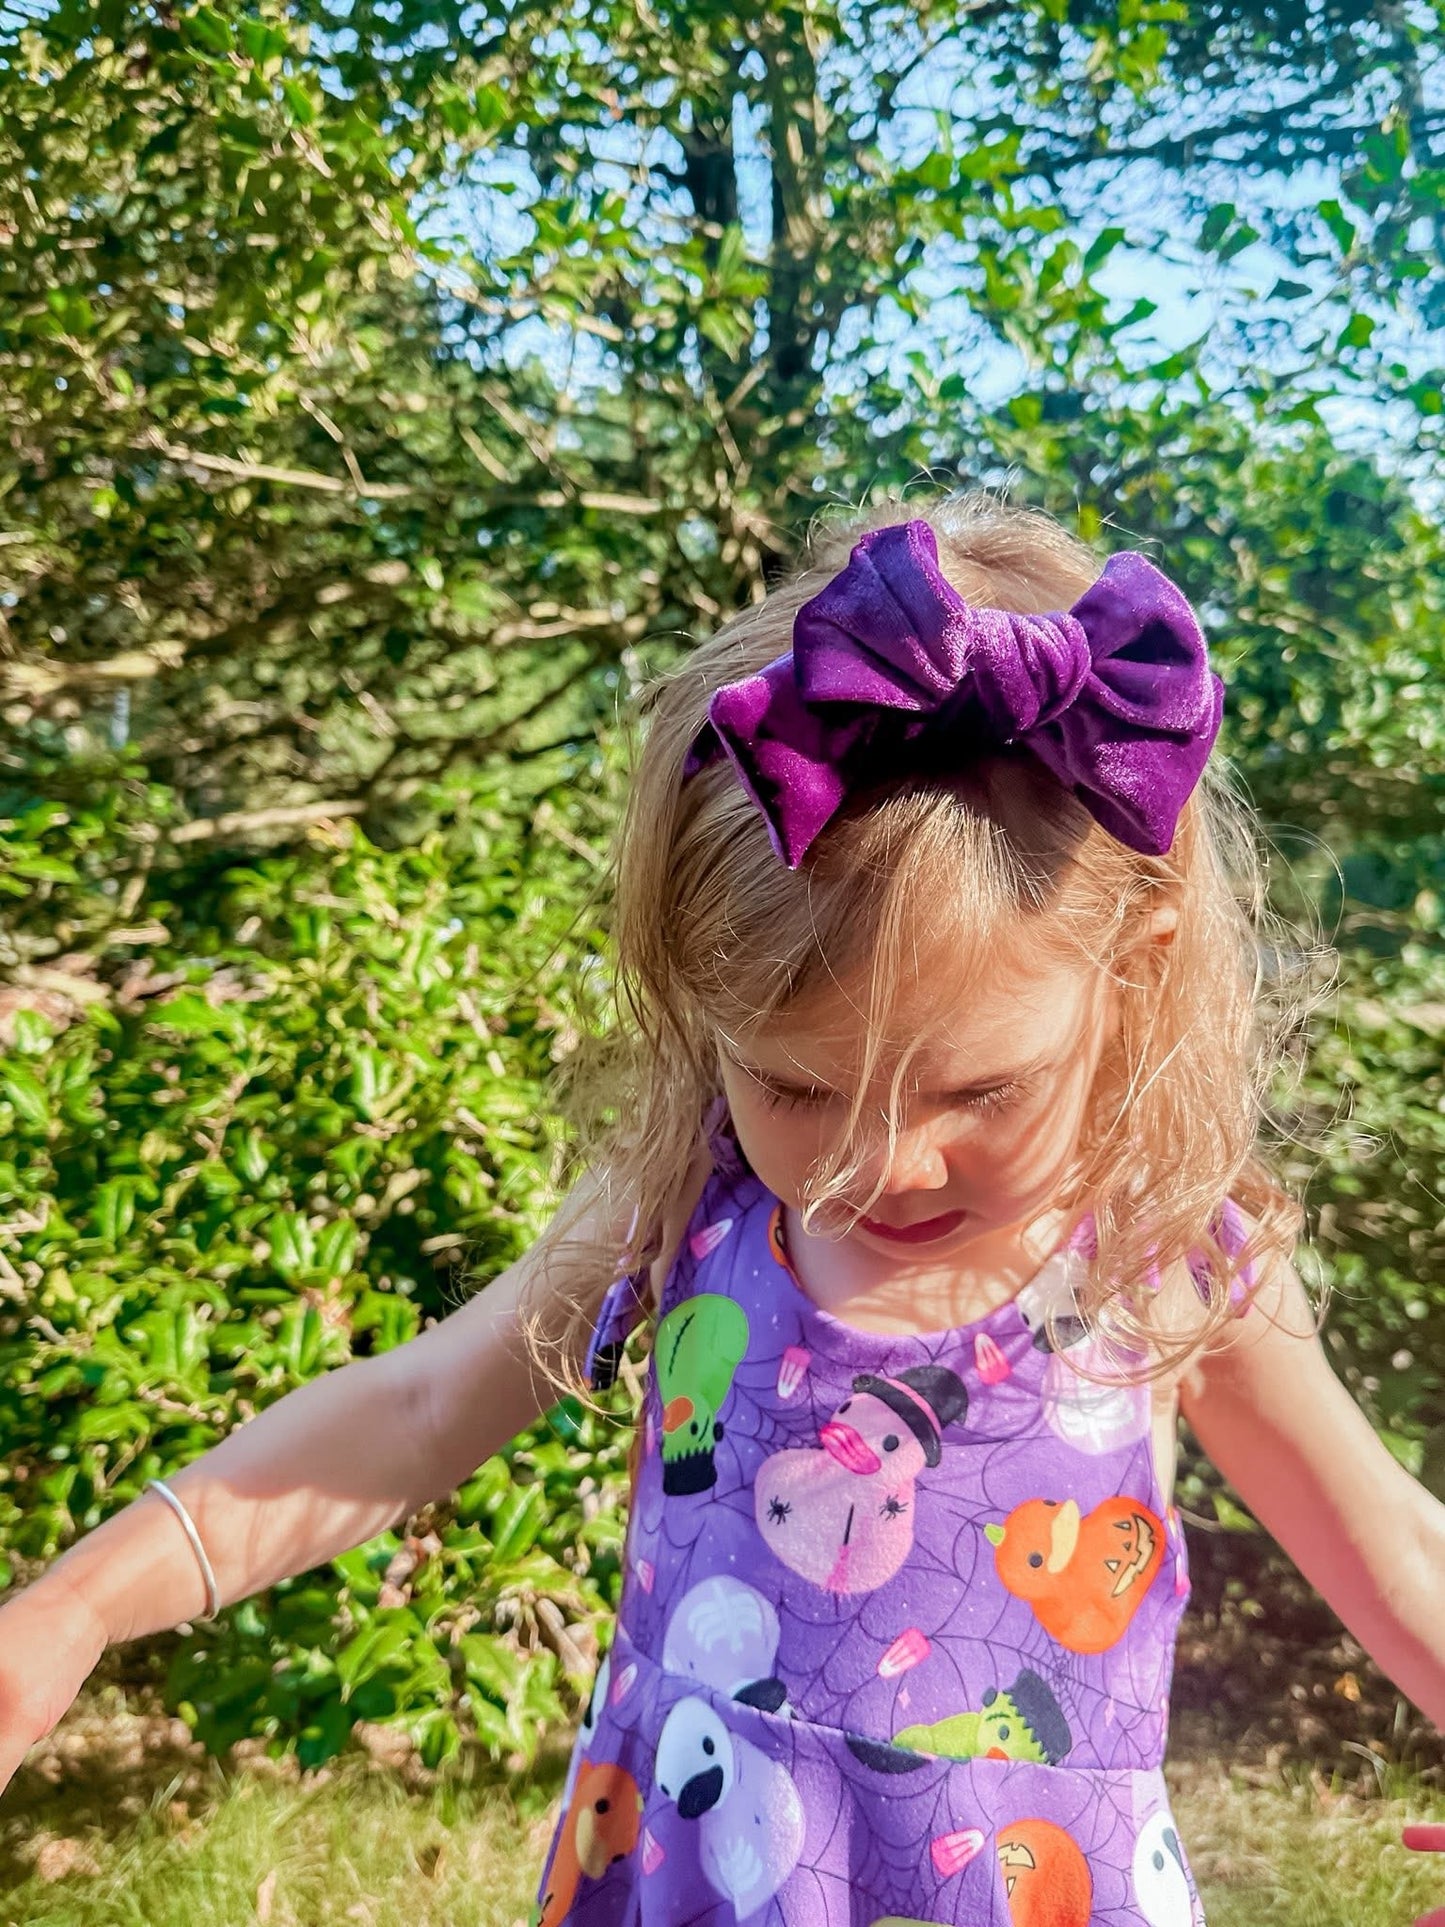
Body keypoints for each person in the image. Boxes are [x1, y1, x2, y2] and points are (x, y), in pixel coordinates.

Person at [1, 493, 1441, 1927]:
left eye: (976, 1091)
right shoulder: (692, 1199)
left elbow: (1391, 1549)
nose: (880, 1165)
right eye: (798, 1088)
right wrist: (76, 1606)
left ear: (1134, 971)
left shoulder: (1160, 1257)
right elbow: (413, 1412)